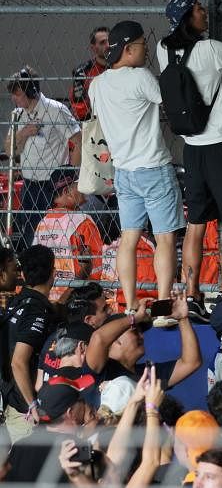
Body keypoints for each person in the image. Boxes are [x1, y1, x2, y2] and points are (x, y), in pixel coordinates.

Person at [157, 0, 222, 302]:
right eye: (199, 9)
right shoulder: (211, 50)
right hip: (221, 147)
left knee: (196, 225)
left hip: (192, 148)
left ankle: (191, 294)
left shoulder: (164, 50)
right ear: (189, 17)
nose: (204, 13)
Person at [90, 20, 185, 309]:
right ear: (129, 49)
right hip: (153, 168)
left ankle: (130, 304)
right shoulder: (140, 77)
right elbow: (168, 102)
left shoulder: (97, 85)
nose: (146, 50)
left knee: (128, 240)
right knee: (165, 239)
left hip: (124, 173)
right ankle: (164, 303)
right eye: (143, 45)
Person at [5, 66, 82, 250]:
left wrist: (70, 177)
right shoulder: (19, 115)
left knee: (54, 236)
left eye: (17, 94)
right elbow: (9, 151)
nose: (13, 98)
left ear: (30, 91)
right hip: (29, 185)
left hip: (52, 186)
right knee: (30, 235)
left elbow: (80, 142)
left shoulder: (55, 110)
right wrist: (23, 133)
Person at [1, 244, 59, 443]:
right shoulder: (36, 310)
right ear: (53, 273)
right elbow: (18, 362)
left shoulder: (17, 302)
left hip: (13, 402)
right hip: (26, 413)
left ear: (24, 275)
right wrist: (32, 405)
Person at [33, 173, 103, 301]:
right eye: (80, 184)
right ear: (67, 191)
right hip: (76, 298)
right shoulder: (83, 222)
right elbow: (97, 267)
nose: (85, 188)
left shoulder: (43, 222)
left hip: (47, 296)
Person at [69, 26, 109, 120]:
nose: (108, 45)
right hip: (96, 123)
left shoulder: (122, 66)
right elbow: (79, 110)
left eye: (109, 41)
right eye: (102, 42)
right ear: (93, 48)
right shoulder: (83, 72)